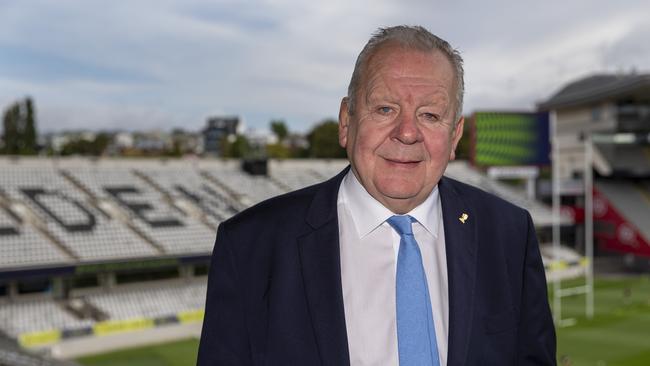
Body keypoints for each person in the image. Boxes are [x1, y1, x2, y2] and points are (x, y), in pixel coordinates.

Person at [197, 25, 556, 366]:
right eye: (385, 109)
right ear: (346, 121)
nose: (407, 132)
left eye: (430, 115)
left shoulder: (509, 234)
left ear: (455, 136)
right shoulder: (251, 246)